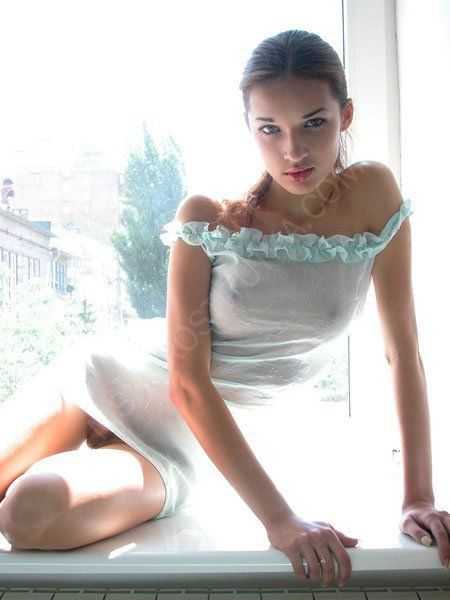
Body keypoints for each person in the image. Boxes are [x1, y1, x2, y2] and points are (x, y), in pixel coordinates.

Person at [0, 28, 448, 589]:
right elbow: (187, 381)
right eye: (270, 129)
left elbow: (402, 351)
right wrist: (280, 520)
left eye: (314, 123)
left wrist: (418, 497)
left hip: (190, 442)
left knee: (27, 517)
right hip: (107, 383)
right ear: (249, 128)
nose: (293, 150)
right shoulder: (210, 218)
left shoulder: (375, 196)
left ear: (346, 116)